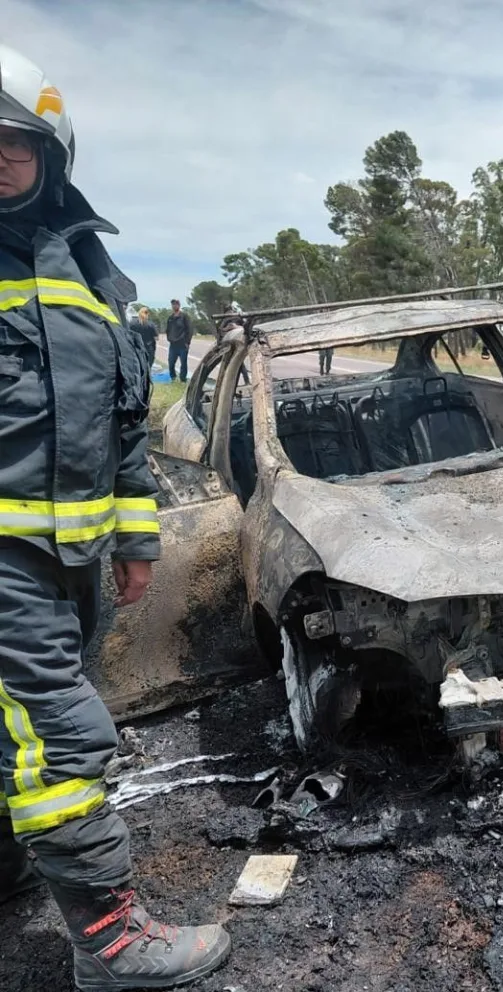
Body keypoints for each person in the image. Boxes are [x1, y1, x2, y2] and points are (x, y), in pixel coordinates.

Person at [0, 45, 230, 989]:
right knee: (61, 738)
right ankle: (110, 945)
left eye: (10, 141)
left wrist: (136, 538)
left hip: (76, 555)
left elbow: (125, 427)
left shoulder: (91, 270)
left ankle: (15, 864)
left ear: (51, 152)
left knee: (20, 728)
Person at [165, 297, 192, 382]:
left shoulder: (184, 316)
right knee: (171, 362)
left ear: (179, 305)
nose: (174, 306)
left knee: (183, 363)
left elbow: (189, 330)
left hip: (182, 344)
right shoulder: (170, 318)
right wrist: (169, 338)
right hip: (173, 344)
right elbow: (168, 329)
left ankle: (183, 379)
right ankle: (173, 377)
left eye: (176, 304)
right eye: (173, 304)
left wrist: (187, 342)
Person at [128, 305, 158, 369]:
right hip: (148, 349)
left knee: (137, 368)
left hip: (136, 348)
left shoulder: (132, 323)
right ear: (147, 314)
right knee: (148, 368)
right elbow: (156, 338)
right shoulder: (150, 324)